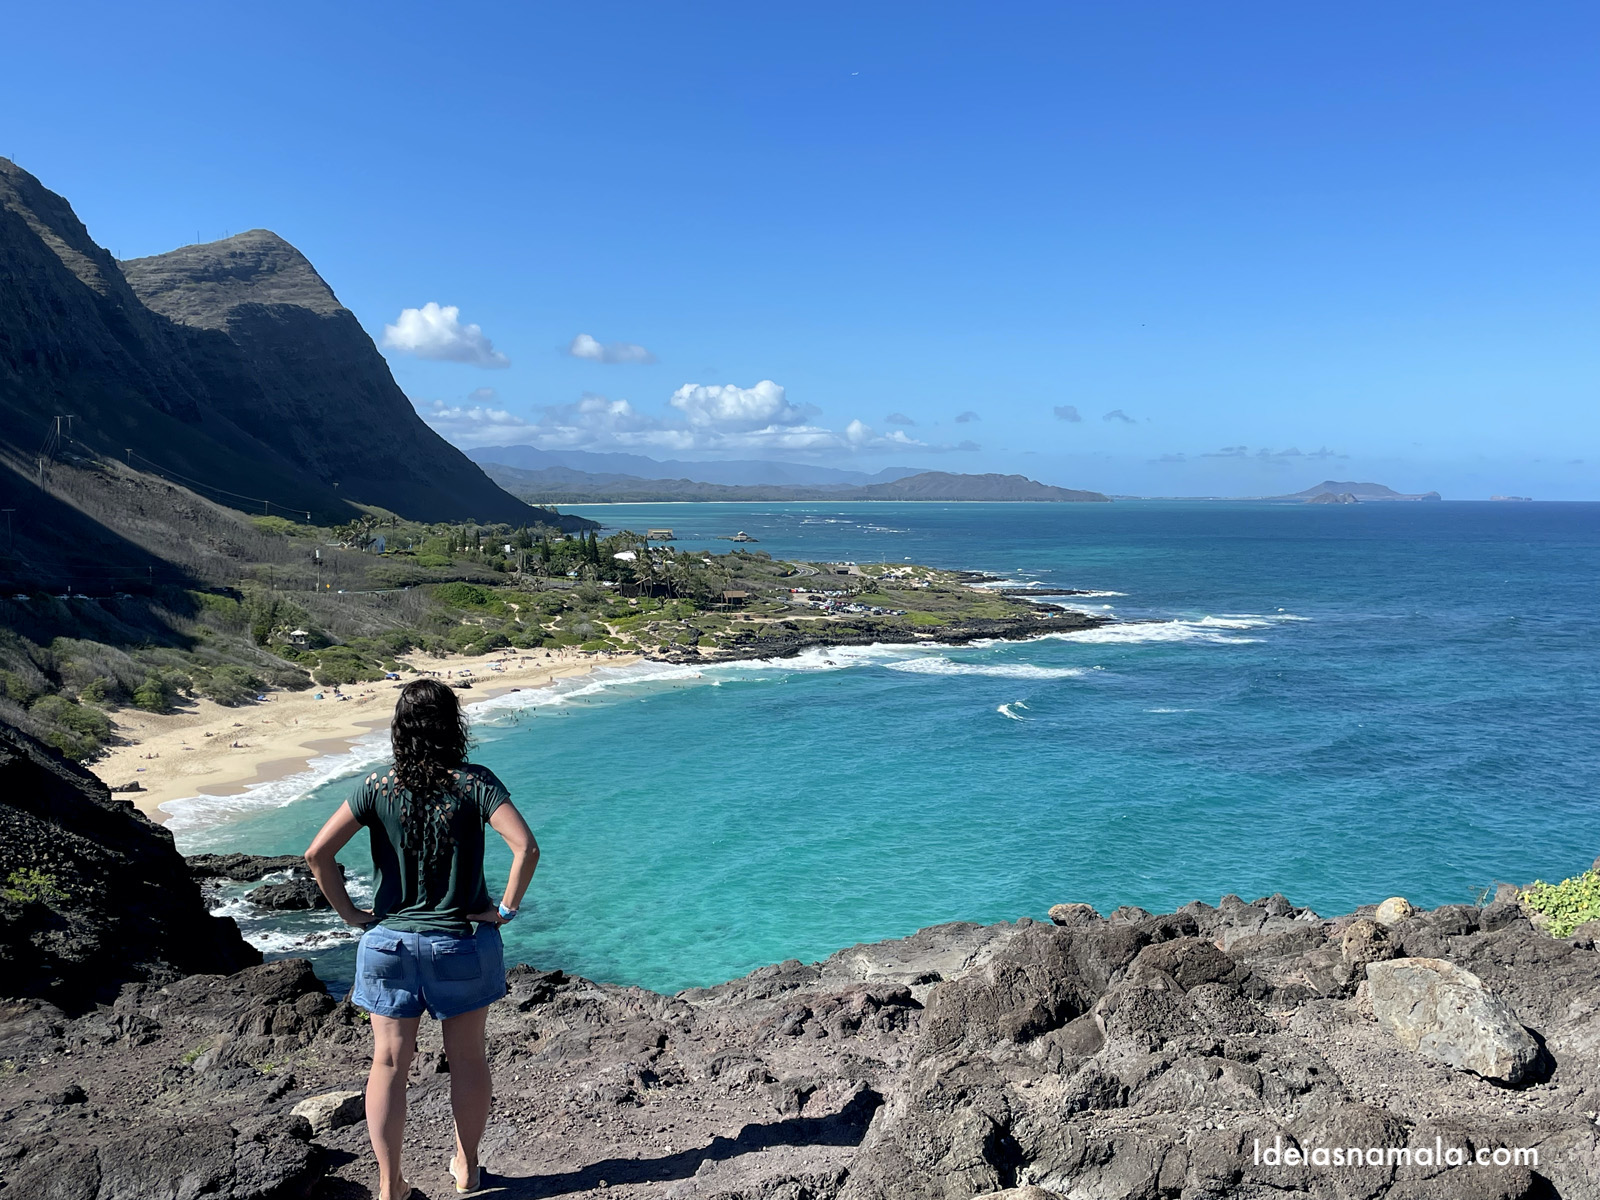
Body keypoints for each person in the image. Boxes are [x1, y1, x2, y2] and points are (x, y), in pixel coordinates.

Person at [305, 679, 538, 1199]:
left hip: (386, 946)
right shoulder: (474, 782)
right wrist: (503, 910)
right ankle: (468, 1167)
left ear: (399, 728)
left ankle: (390, 1187)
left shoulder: (375, 786)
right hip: (460, 943)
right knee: (469, 1058)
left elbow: (317, 855)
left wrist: (351, 914)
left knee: (387, 1064)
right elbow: (525, 847)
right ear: (452, 723)